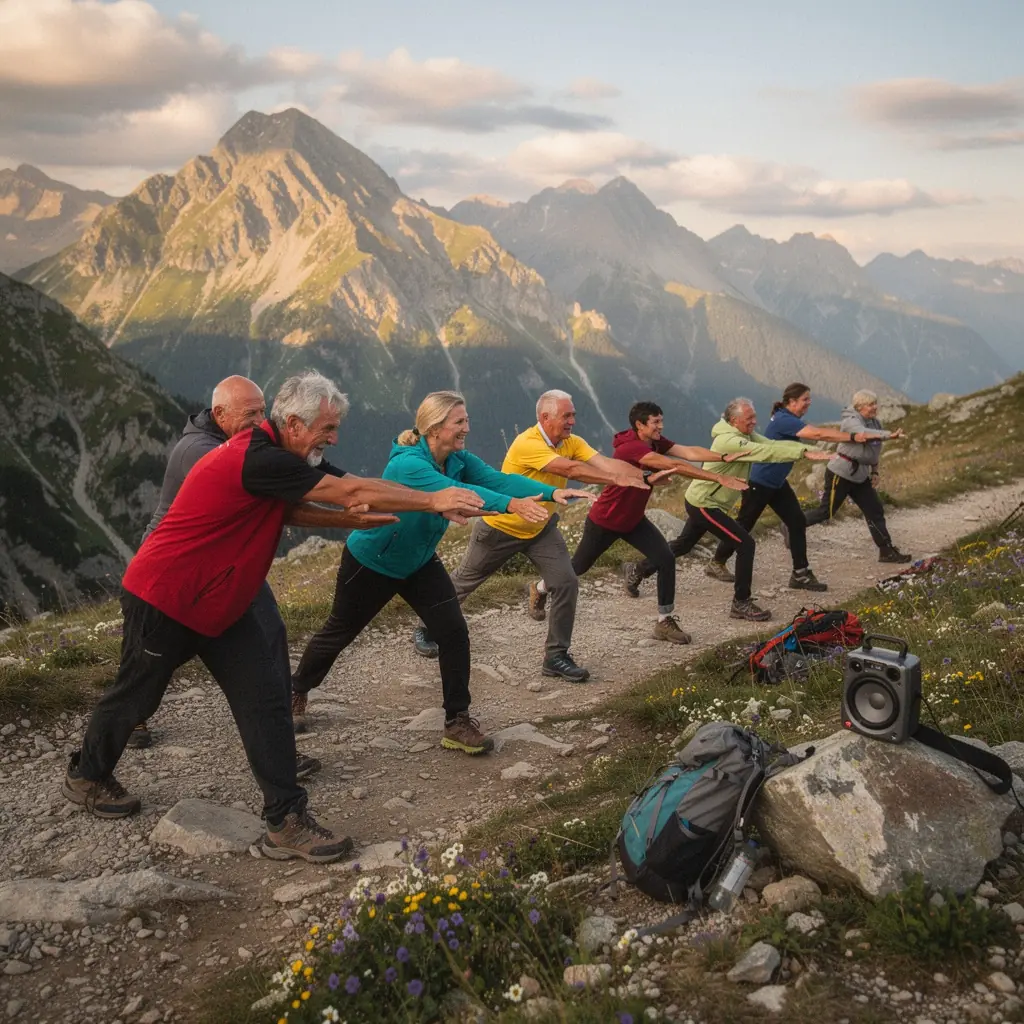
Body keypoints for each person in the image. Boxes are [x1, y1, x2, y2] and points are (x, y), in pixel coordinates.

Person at [62, 371, 484, 864]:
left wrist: (345, 518)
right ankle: (88, 773)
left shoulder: (282, 455)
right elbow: (352, 489)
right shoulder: (256, 454)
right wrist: (432, 499)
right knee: (139, 691)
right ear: (295, 423)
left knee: (266, 694)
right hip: (167, 594)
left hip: (224, 597)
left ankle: (286, 819)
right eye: (327, 429)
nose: (334, 438)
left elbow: (297, 506)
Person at [289, 391, 593, 748]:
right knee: (339, 632)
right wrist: (513, 506)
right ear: (434, 428)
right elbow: (458, 493)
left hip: (419, 561)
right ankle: (296, 690)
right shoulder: (409, 466)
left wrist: (549, 494)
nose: (467, 427)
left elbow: (495, 480)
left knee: (453, 633)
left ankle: (457, 720)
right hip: (374, 561)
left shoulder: (457, 457)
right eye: (459, 422)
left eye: (466, 420)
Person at [125, 375, 333, 776]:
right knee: (150, 655)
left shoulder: (246, 442)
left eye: (262, 411)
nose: (259, 421)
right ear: (220, 414)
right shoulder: (200, 450)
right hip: (175, 563)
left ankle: (279, 742)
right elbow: (271, 482)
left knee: (268, 633)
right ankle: (125, 720)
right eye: (250, 413)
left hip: (227, 559)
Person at [411, 389, 649, 682]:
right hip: (501, 528)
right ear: (545, 418)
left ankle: (556, 657)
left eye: (573, 414)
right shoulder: (528, 443)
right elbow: (573, 469)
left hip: (540, 528)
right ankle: (425, 625)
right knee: (462, 583)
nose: (573, 420)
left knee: (566, 582)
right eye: (567, 415)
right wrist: (616, 479)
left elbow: (602, 462)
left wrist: (642, 477)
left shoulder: (572, 442)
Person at [630, 398, 832, 621]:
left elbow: (770, 445)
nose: (755, 421)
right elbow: (764, 453)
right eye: (750, 418)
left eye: (754, 416)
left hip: (704, 500)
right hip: (705, 503)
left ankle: (639, 569)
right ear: (735, 421)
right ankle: (741, 602)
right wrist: (803, 453)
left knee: (683, 545)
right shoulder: (729, 441)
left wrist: (805, 450)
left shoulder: (743, 434)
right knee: (746, 544)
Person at [571, 401, 749, 644]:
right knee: (577, 569)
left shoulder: (653, 441)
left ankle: (664, 621)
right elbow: (675, 465)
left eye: (661, 421)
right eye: (655, 422)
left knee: (665, 558)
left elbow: (687, 452)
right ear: (640, 425)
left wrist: (724, 457)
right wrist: (718, 476)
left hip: (634, 520)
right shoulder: (630, 449)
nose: (661, 426)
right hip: (606, 520)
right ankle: (539, 588)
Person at [707, 382, 897, 591]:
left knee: (796, 522)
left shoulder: (787, 418)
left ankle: (800, 574)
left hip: (777, 483)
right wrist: (852, 437)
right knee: (743, 525)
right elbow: (817, 434)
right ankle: (716, 562)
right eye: (805, 399)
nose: (809, 402)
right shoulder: (784, 420)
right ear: (792, 401)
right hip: (760, 483)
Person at [804, 389, 911, 562]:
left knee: (875, 510)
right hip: (841, 473)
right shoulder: (850, 422)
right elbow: (862, 435)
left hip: (860, 476)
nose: (875, 407)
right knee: (826, 511)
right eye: (871, 404)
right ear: (860, 406)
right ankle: (790, 525)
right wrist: (889, 436)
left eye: (875, 403)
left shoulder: (875, 423)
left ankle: (886, 551)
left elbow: (874, 450)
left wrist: (875, 471)